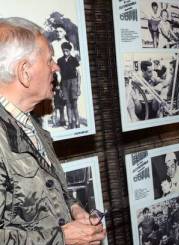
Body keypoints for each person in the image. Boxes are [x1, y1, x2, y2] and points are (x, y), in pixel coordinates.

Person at [0, 17, 106, 244]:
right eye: (49, 60)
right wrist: (62, 238)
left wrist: (73, 208)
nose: (56, 67)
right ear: (24, 71)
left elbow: (41, 194)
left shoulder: (28, 123)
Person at [57, 41, 81, 129]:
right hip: (64, 84)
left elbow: (79, 75)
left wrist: (78, 88)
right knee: (67, 104)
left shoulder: (74, 60)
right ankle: (70, 122)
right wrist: (60, 88)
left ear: (70, 51)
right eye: (63, 51)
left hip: (73, 83)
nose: (65, 52)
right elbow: (59, 75)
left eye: (67, 50)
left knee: (74, 103)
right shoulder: (59, 61)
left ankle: (77, 122)